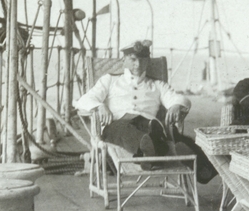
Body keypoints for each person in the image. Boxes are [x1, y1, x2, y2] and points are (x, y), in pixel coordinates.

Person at [75, 40, 217, 183]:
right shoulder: (110, 80)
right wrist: (99, 106)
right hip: (116, 126)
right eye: (133, 59)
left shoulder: (157, 85)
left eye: (143, 60)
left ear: (148, 61)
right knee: (129, 130)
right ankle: (157, 149)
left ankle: (153, 154)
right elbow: (83, 100)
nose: (138, 64)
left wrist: (176, 105)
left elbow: (181, 99)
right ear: (124, 60)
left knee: (158, 130)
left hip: (148, 125)